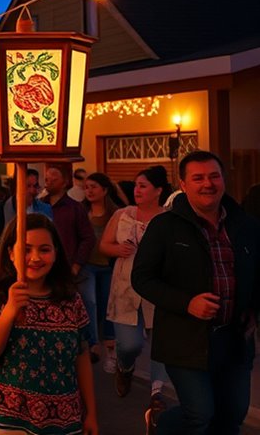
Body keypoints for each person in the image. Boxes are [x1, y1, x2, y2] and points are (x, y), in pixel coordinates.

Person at [132, 151, 260, 434]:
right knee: (199, 413)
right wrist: (186, 302)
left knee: (232, 415)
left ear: (223, 180)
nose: (207, 184)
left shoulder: (246, 225)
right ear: (183, 184)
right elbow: (142, 277)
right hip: (185, 340)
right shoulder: (165, 226)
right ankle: (159, 422)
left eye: (214, 176)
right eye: (198, 178)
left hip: (235, 339)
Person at [0, 214, 98, 434]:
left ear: (56, 253)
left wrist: (92, 413)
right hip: (8, 419)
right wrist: (9, 311)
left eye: (44, 250)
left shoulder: (70, 299)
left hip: (63, 419)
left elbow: (81, 355)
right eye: (26, 250)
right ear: (11, 253)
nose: (35, 258)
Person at [99, 165, 171, 425]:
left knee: (161, 345)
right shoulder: (123, 214)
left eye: (143, 186)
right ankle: (124, 367)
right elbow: (104, 244)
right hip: (125, 289)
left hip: (158, 289)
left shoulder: (168, 219)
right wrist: (117, 248)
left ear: (158, 190)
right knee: (130, 344)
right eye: (136, 185)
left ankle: (157, 393)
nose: (137, 191)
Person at [0, 168, 53, 278]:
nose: (32, 191)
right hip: (6, 271)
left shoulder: (45, 211)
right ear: (17, 187)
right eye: (28, 186)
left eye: (35, 186)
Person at [81, 172, 121, 371]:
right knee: (90, 301)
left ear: (104, 190)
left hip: (108, 266)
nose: (89, 191)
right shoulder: (81, 212)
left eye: (93, 187)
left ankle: (111, 351)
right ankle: (93, 344)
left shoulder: (116, 213)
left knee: (108, 306)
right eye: (86, 187)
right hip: (87, 265)